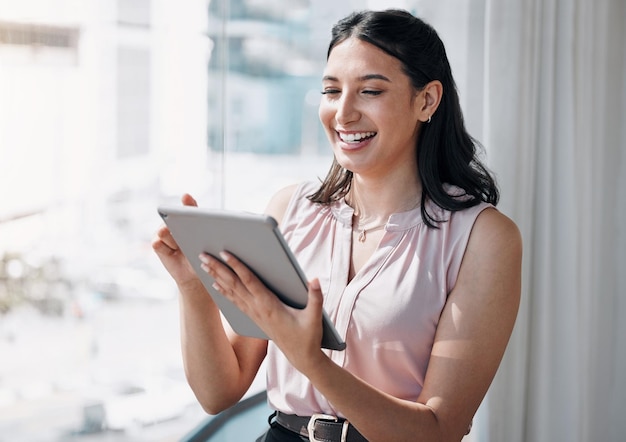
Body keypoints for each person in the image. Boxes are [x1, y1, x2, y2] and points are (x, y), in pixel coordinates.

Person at [152, 8, 522, 442]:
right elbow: (218, 392)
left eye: (369, 91)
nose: (343, 114)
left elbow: (441, 430)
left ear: (427, 100)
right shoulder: (291, 209)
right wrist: (194, 289)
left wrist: (312, 363)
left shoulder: (484, 238)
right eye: (331, 91)